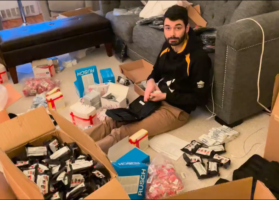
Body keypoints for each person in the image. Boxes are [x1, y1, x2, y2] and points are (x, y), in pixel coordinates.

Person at [85, 5, 211, 153]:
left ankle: (87, 156)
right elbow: (156, 70)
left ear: (187, 28)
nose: (172, 34)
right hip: (156, 96)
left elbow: (200, 98)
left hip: (176, 111)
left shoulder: (199, 58)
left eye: (178, 28)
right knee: (114, 120)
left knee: (125, 131)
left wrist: (165, 95)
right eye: (168, 28)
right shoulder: (167, 45)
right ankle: (73, 141)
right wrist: (151, 81)